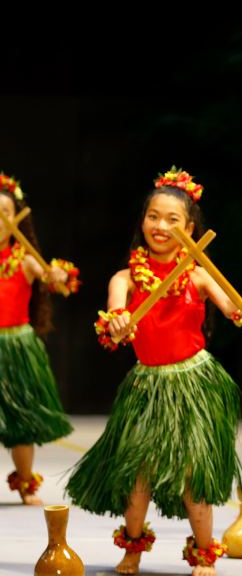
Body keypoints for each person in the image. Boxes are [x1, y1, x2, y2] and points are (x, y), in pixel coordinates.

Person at [66, 169, 242, 576]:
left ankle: (204, 553)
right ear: (142, 221)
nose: (161, 227)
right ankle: (132, 549)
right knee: (136, 476)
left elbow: (237, 312)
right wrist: (117, 325)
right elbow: (113, 319)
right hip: (148, 384)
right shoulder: (124, 278)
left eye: (172, 220)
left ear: (190, 229)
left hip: (194, 382)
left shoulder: (198, 273)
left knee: (196, 477)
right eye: (152, 217)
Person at [0, 172, 79, 505]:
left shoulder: (26, 259)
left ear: (16, 218)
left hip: (16, 346)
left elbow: (58, 283)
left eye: (4, 212)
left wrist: (59, 275)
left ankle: (26, 483)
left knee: (21, 418)